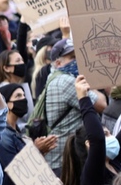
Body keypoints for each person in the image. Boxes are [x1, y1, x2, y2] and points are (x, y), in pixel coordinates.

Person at [62, 72, 121, 185]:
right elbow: (97, 138)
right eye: (107, 134)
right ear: (89, 145)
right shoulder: (92, 173)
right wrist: (83, 98)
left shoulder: (113, 161)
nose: (112, 137)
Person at [43, 38, 106, 174]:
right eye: (72, 57)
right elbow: (102, 104)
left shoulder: (53, 77)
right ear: (58, 63)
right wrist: (87, 81)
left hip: (61, 160)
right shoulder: (66, 81)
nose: (78, 61)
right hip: (65, 163)